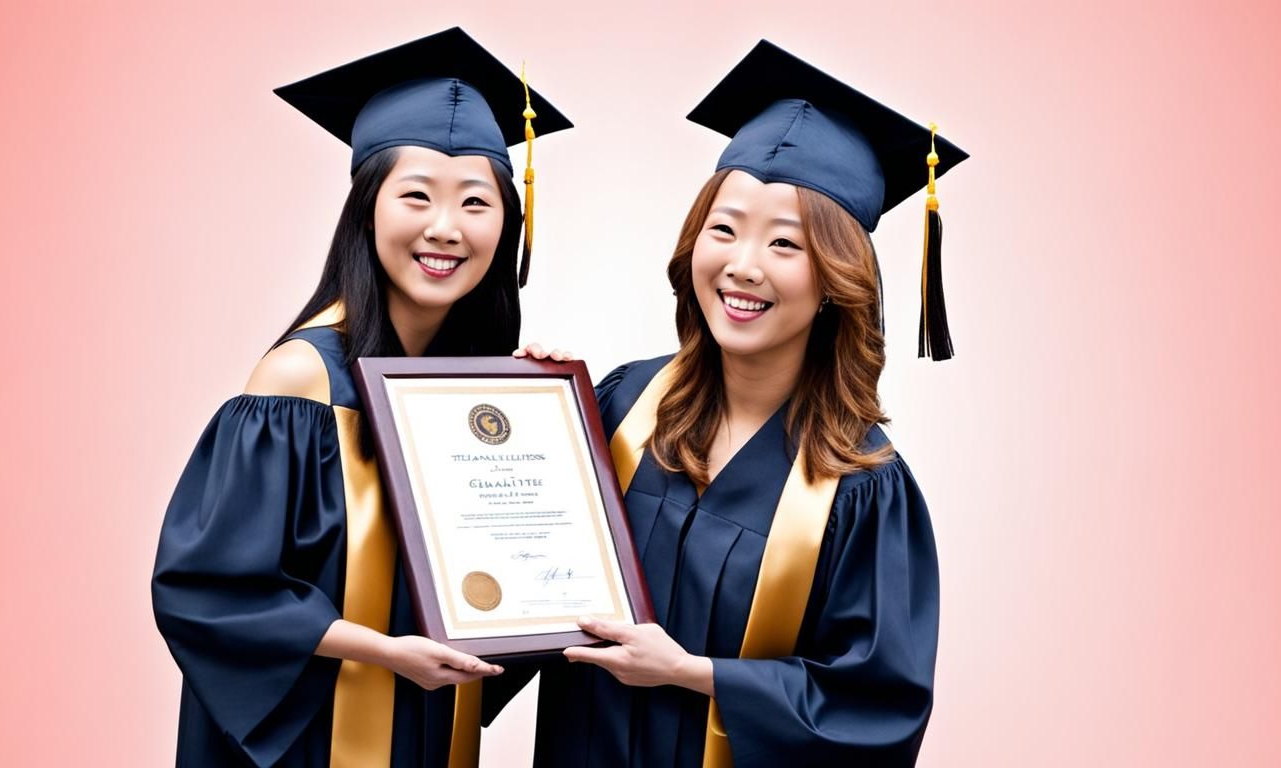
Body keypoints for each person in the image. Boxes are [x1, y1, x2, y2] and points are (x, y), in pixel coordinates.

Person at [489, 40, 967, 766]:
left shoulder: (863, 489)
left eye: (787, 243)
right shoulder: (623, 404)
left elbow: (876, 709)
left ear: (837, 281)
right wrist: (527, 424)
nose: (743, 266)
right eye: (725, 228)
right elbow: (524, 583)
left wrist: (689, 673)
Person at [151, 27, 571, 768]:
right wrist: (381, 652)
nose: (446, 228)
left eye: (476, 202)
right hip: (310, 741)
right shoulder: (298, 385)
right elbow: (210, 590)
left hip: (423, 732)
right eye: (417, 196)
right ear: (368, 208)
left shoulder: (472, 392)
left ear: (509, 224)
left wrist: (552, 418)